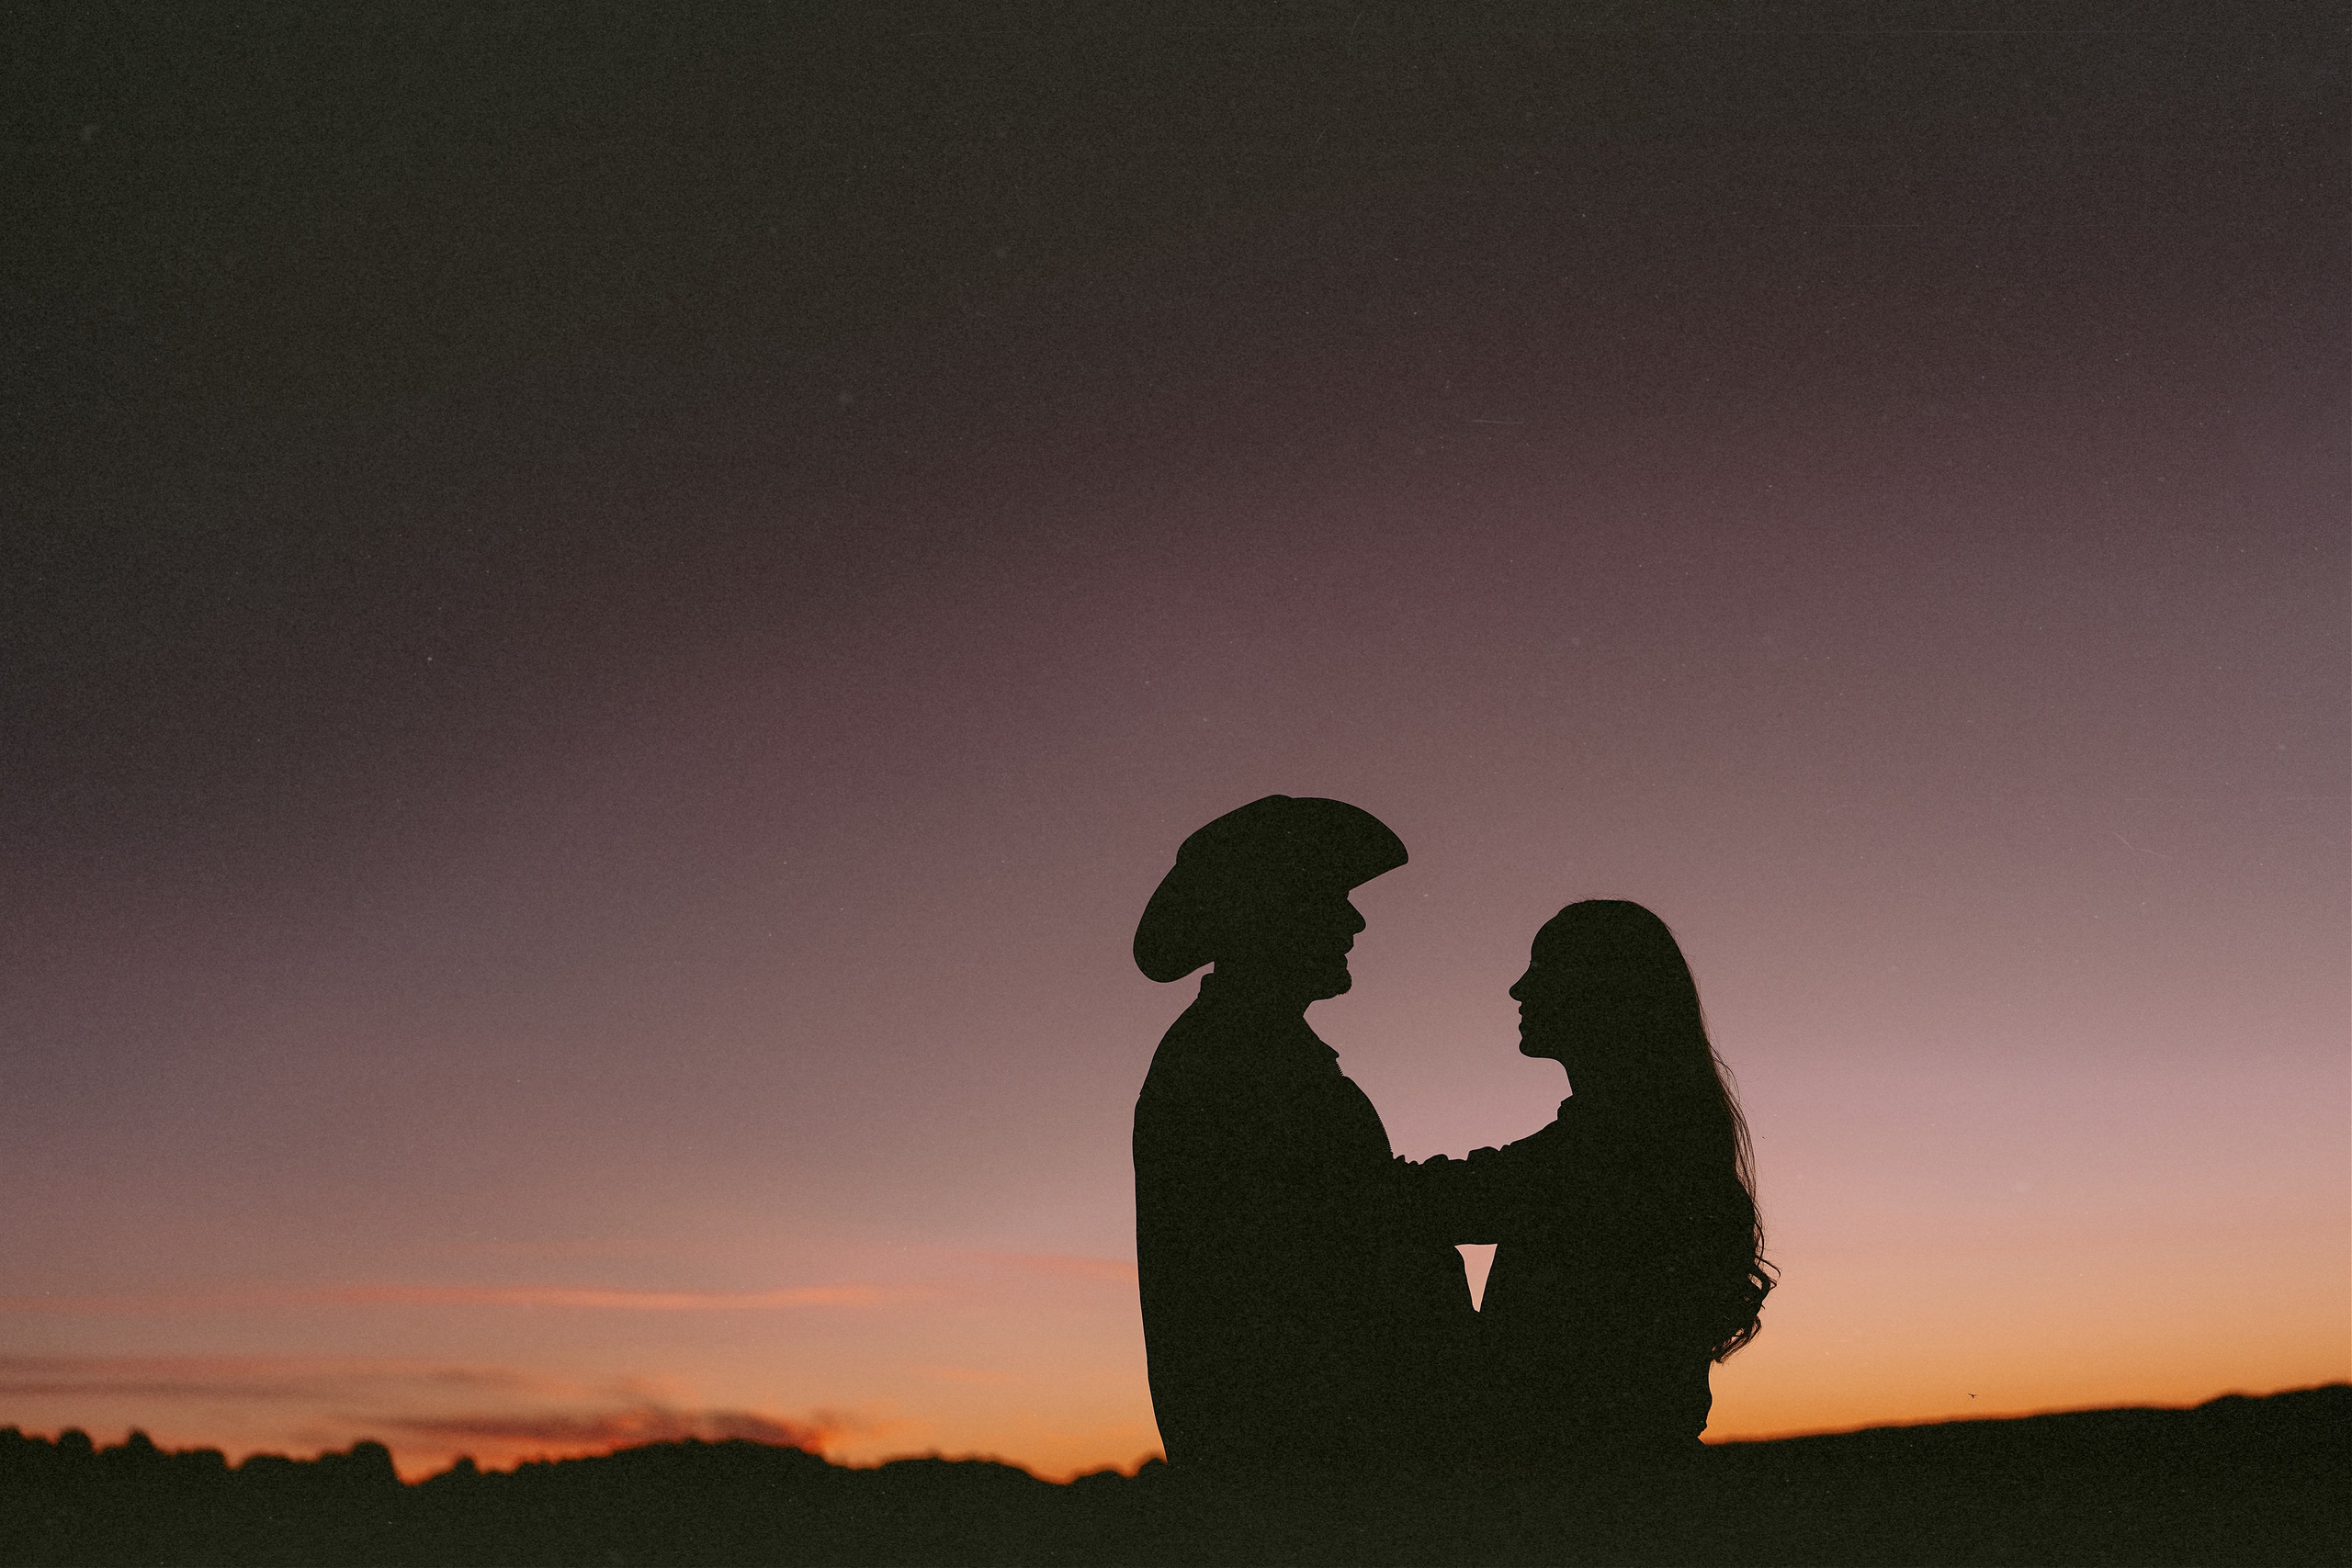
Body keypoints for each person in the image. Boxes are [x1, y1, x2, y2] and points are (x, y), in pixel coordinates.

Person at [1130, 795, 1476, 1497]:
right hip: (1315, 1485)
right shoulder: (1234, 1067)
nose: (1355, 919)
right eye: (1330, 896)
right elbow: (1328, 1273)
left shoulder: (1239, 1054)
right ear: (1271, 913)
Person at [1424, 899, 1773, 1479]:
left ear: (1602, 995)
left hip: (1586, 1487)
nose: (1517, 989)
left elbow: (1450, 1199)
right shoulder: (1646, 1132)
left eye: (1542, 968)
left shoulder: (1617, 1144)